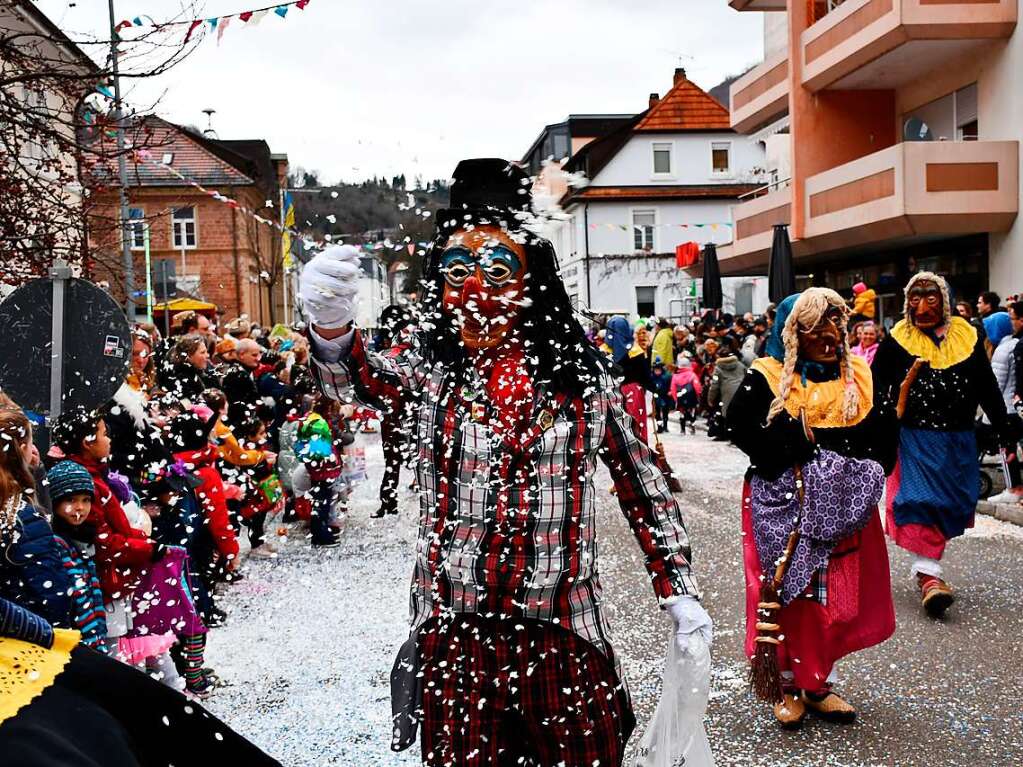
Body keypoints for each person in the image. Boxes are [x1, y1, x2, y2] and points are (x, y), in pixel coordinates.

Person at [299, 158, 711, 765]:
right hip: (454, 639)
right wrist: (332, 330)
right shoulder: (432, 374)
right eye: (457, 269)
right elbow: (358, 380)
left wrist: (677, 587)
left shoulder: (580, 385)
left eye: (497, 268)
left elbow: (645, 488)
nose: (475, 287)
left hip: (563, 633)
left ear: (530, 284)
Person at [727, 289, 895, 728]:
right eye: (814, 325)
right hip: (783, 505)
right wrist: (791, 447)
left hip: (842, 505)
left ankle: (819, 682)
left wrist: (869, 464)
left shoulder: (858, 373)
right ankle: (784, 683)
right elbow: (740, 427)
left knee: (835, 591)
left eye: (833, 324)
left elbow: (875, 438)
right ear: (792, 331)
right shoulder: (766, 374)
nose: (827, 335)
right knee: (789, 591)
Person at [873, 272, 1007, 617]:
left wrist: (1004, 426)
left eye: (930, 298)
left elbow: (986, 384)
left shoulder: (967, 335)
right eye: (915, 298)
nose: (922, 306)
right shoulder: (897, 339)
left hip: (959, 438)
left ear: (944, 300)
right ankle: (929, 578)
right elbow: (875, 386)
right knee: (920, 500)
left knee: (951, 504)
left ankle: (926, 567)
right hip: (915, 436)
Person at [52, 407, 161, 655]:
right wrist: (148, 548)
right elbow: (105, 542)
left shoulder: (95, 476)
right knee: (114, 652)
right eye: (104, 433)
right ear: (87, 443)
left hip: (109, 582)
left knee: (124, 649)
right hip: (105, 584)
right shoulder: (82, 480)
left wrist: (142, 540)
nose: (109, 439)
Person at [47, 460, 108, 650]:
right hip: (74, 642)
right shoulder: (56, 542)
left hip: (88, 641)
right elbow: (75, 599)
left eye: (86, 500)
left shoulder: (82, 537)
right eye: (70, 500)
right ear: (55, 502)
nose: (80, 507)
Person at [982, 312, 1022, 503]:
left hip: (1005, 408)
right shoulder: (1015, 345)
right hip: (1016, 408)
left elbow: (996, 385)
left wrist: (988, 416)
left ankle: (1013, 488)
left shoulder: (1002, 350)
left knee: (1007, 448)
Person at [708, 340, 747, 432]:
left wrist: (710, 399)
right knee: (740, 413)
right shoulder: (740, 365)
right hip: (741, 392)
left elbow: (714, 385)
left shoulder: (718, 368)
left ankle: (729, 433)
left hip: (727, 393)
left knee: (727, 413)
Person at [670, 356, 702, 434]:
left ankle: (682, 429)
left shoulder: (675, 376)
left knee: (682, 412)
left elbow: (673, 388)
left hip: (680, 397)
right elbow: (697, 386)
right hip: (691, 397)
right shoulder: (692, 375)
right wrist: (698, 395)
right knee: (692, 412)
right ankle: (692, 425)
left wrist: (675, 399)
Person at [650, 359, 673, 433]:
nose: (657, 372)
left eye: (658, 370)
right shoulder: (651, 377)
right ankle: (659, 427)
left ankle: (665, 426)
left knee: (665, 411)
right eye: (655, 370)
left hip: (665, 395)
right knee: (657, 412)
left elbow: (672, 384)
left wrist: (670, 391)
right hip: (656, 396)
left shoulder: (667, 376)